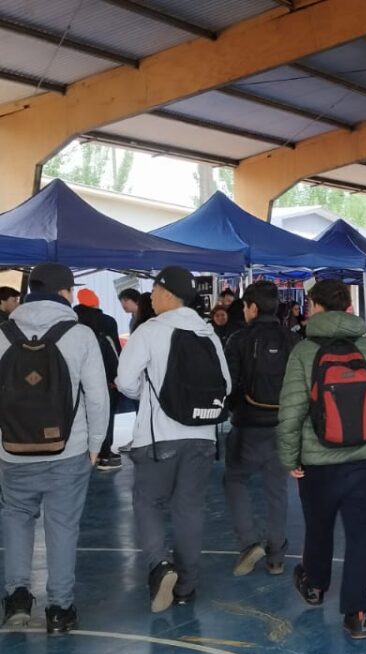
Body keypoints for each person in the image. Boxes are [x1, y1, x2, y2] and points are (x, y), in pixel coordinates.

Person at [277, 280, 366, 640]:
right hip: (362, 460)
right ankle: (358, 612)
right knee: (360, 535)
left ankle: (314, 585)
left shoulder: (304, 351)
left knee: (318, 527)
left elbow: (291, 412)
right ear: (348, 305)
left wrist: (289, 457)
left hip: (316, 463)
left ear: (315, 306)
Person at [0, 263, 109, 634]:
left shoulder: (2, 332)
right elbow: (97, 397)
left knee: (15, 519)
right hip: (68, 450)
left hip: (12, 450)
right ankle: (60, 610)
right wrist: (95, 446)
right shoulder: (79, 335)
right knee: (62, 526)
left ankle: (16, 597)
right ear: (66, 292)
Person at [116, 266, 231, 613]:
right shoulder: (207, 333)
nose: (150, 295)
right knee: (189, 509)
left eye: (154, 289)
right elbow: (225, 385)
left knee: (148, 502)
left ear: (168, 293)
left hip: (158, 437)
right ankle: (186, 585)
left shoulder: (150, 331)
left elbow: (124, 381)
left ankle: (160, 565)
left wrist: (146, 395)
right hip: (201, 437)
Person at [223, 281, 299, 578]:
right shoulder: (292, 340)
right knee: (277, 490)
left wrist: (234, 408)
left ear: (253, 308)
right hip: (282, 427)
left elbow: (228, 382)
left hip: (246, 426)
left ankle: (248, 543)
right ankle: (276, 556)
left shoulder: (238, 339)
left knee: (235, 480)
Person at [74, 288, 123, 471]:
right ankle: (104, 454)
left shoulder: (72, 322)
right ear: (96, 303)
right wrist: (116, 377)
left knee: (81, 416)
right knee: (105, 415)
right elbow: (114, 350)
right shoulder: (108, 321)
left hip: (78, 379)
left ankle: (83, 454)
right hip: (104, 378)